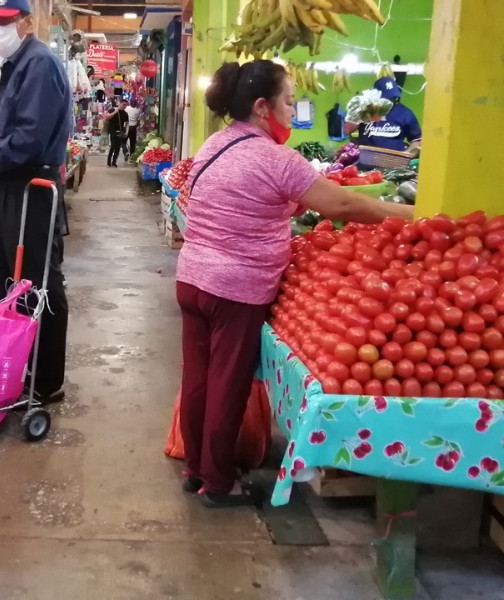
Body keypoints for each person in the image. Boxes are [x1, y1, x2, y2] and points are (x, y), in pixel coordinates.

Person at [177, 60, 414, 509]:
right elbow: (343, 204)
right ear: (263, 107)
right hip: (235, 288)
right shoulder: (275, 158)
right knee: (227, 384)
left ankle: (196, 470)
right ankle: (218, 483)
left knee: (198, 379)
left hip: (193, 278)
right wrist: (416, 214)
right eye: (288, 101)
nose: (293, 110)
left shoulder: (215, 144)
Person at [0, 0, 72, 404]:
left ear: (24, 21)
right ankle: (15, 369)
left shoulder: (38, 64)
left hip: (32, 186)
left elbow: (30, 138)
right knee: (4, 278)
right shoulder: (14, 66)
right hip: (10, 183)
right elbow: (11, 135)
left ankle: (45, 380)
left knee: (37, 280)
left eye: (2, 21)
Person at [344, 77, 422, 153]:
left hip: (394, 163)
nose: (390, 101)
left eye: (393, 98)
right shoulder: (365, 109)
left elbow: (417, 140)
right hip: (365, 162)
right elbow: (347, 130)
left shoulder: (406, 114)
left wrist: (407, 154)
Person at [103, 98, 128, 167]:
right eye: (123, 104)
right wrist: (114, 113)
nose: (124, 106)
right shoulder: (112, 110)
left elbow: (126, 123)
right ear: (119, 104)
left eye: (126, 105)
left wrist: (126, 131)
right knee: (113, 146)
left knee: (117, 147)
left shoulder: (125, 114)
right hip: (112, 131)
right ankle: (109, 161)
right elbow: (106, 117)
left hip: (120, 132)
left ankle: (114, 161)